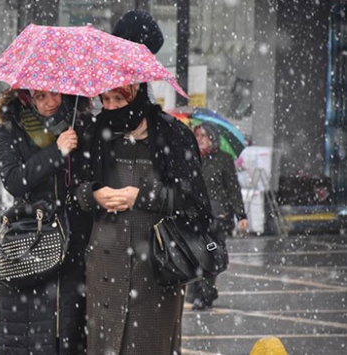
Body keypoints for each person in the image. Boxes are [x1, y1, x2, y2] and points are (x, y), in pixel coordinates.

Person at [75, 83, 212, 354]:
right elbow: (76, 190)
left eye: (118, 98)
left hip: (156, 266)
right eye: (106, 99)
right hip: (105, 266)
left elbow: (194, 201)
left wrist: (142, 195)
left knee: (150, 345)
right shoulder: (93, 133)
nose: (111, 107)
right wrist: (94, 195)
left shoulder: (172, 135)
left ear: (137, 94)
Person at [0, 89, 93, 354]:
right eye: (40, 96)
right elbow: (14, 180)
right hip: (32, 236)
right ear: (26, 97)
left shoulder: (79, 123)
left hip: (74, 237)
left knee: (69, 328)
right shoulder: (12, 127)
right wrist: (56, 152)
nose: (50, 102)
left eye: (55, 95)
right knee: (30, 330)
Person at [188, 122, 248, 310]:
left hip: (217, 218)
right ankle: (199, 291)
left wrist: (241, 215)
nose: (200, 140)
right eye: (197, 136)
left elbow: (233, 189)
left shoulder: (223, 159)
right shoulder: (190, 159)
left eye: (203, 136)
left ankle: (205, 293)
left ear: (212, 138)